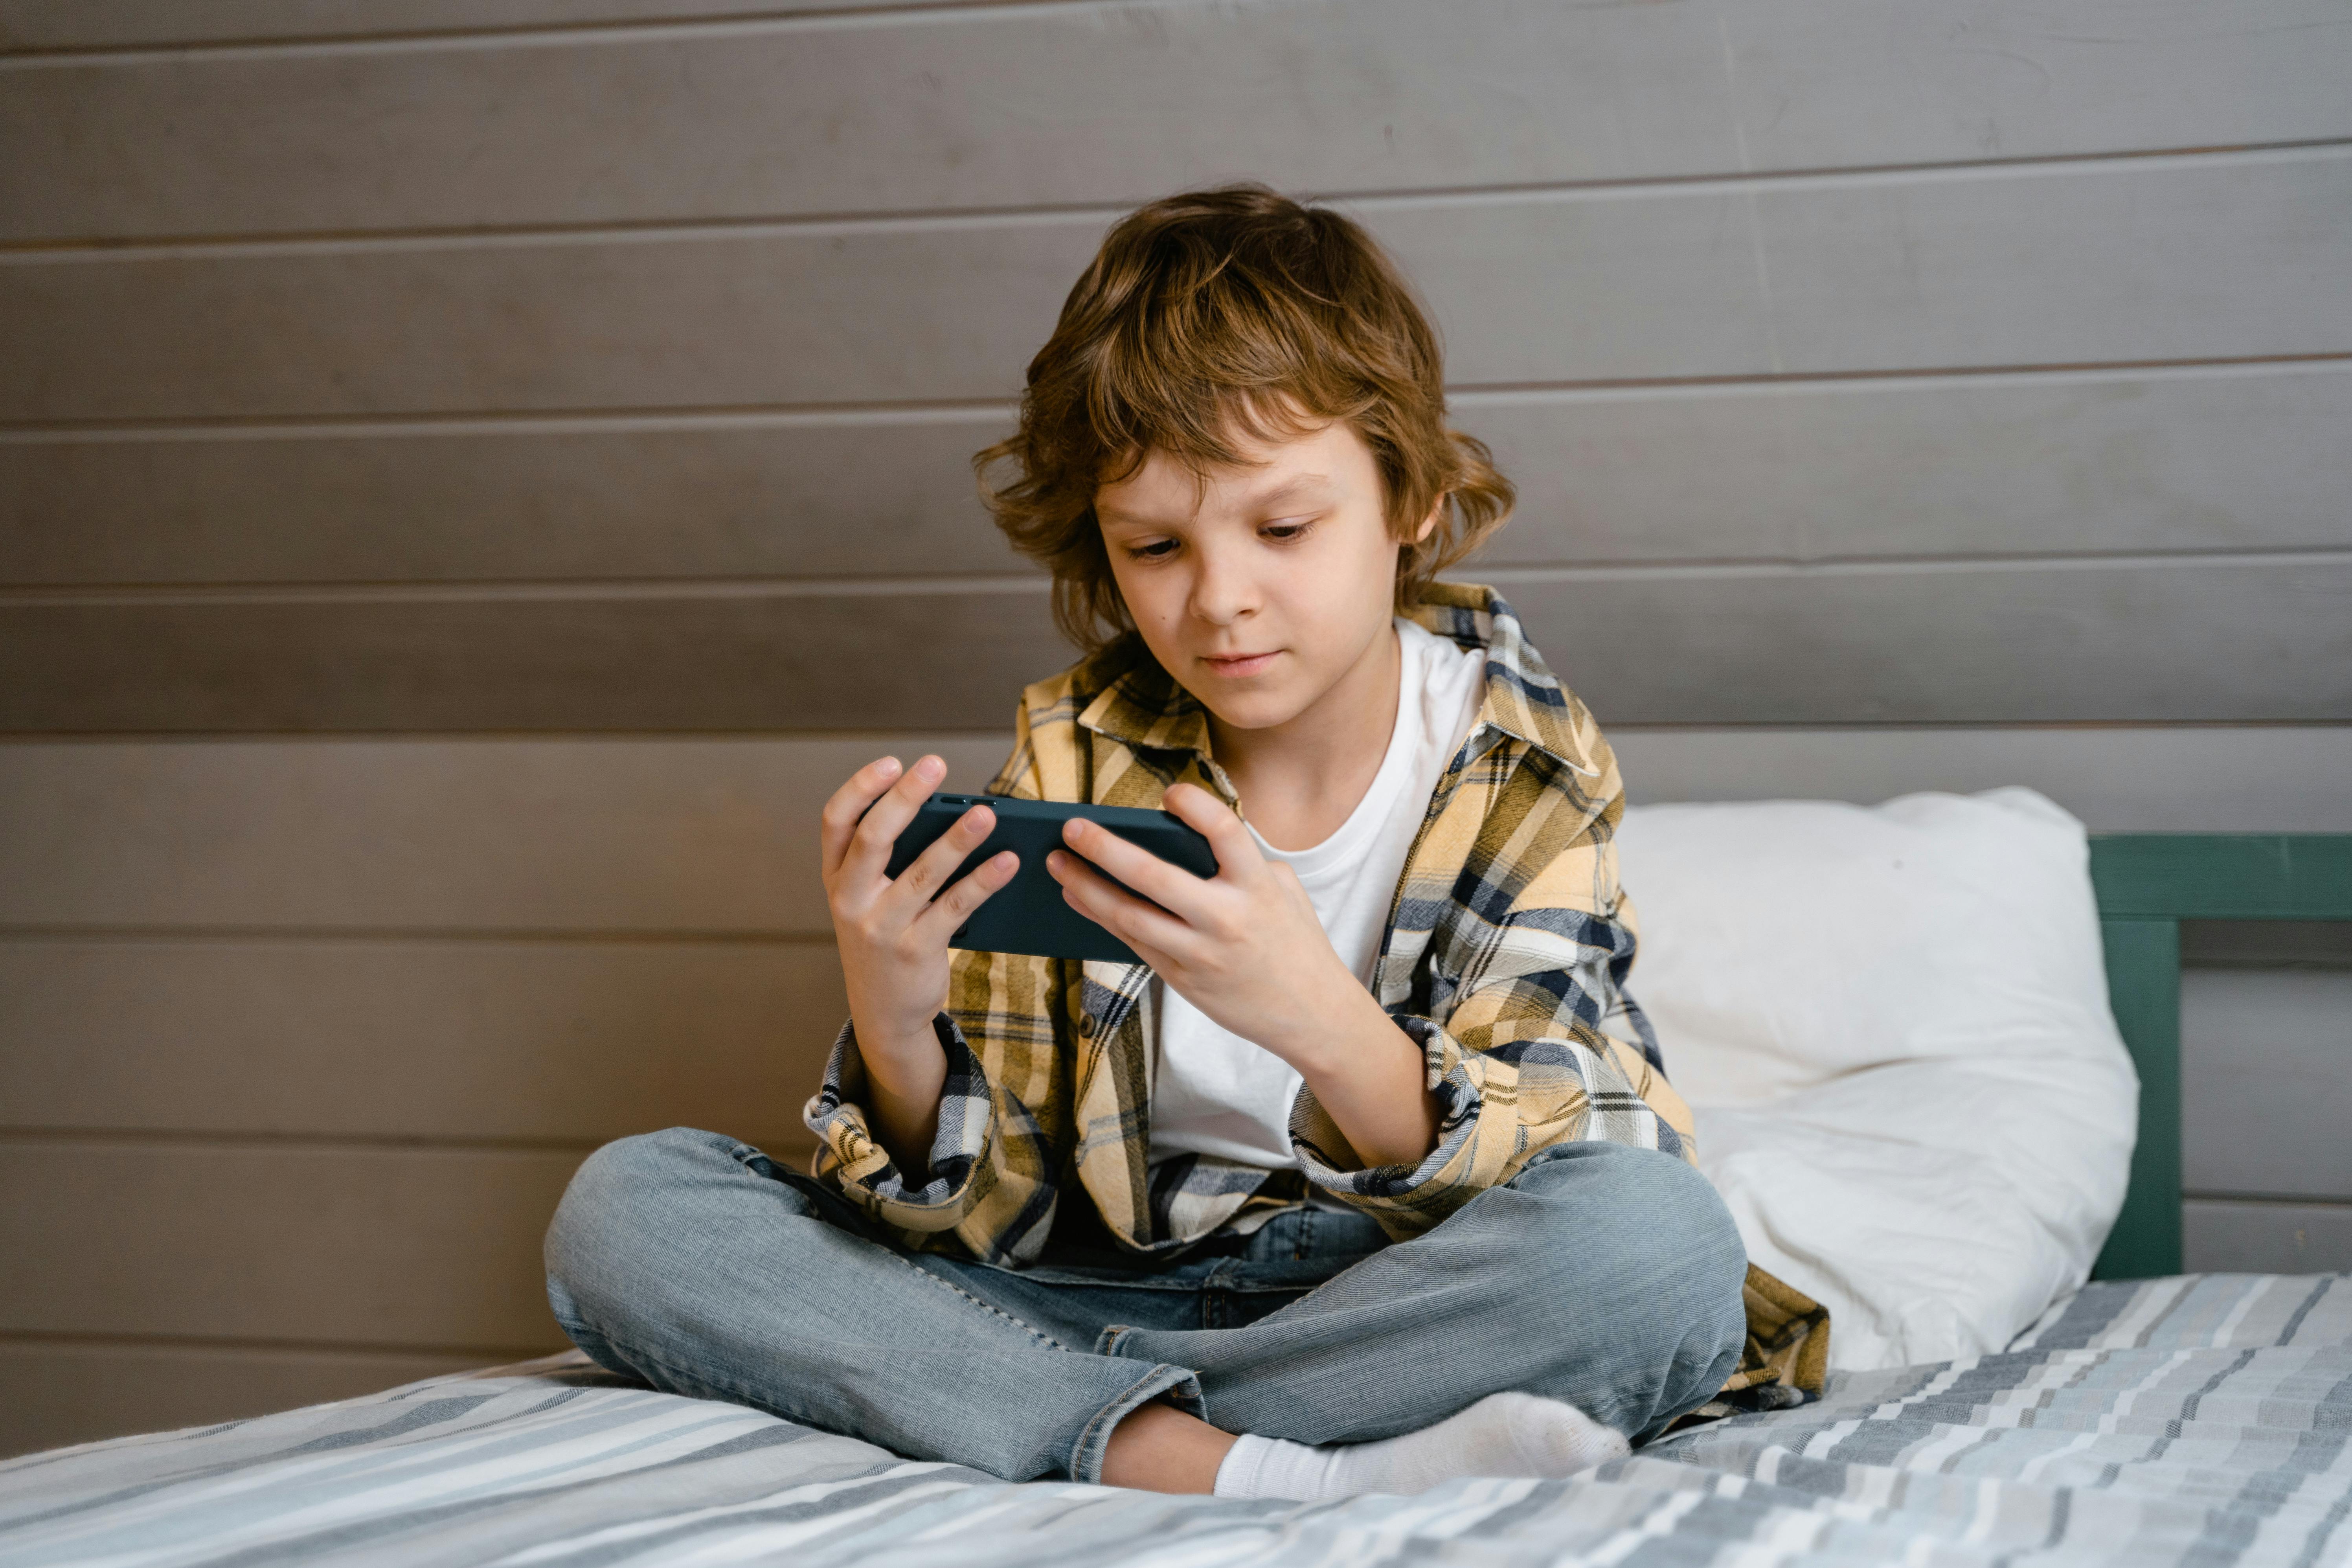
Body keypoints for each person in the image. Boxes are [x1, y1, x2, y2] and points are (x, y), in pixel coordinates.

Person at [544, 184, 1825, 1500]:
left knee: (1655, 1251)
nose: (1220, 598)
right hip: (1079, 1283)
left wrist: (1314, 1016)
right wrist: (898, 1025)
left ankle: (1036, 1414)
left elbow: (1587, 1149)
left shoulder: (1522, 761)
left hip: (1371, 1296)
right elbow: (1004, 1214)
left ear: (1414, 502)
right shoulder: (1078, 753)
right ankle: (1230, 1461)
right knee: (630, 1212)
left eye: (1282, 528)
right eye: (1155, 546)